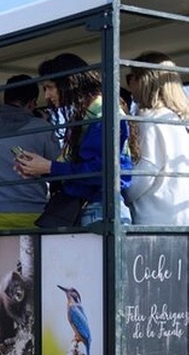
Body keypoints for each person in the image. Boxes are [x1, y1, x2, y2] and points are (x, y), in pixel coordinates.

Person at [14, 53, 133, 226]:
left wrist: (49, 167)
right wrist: (39, 169)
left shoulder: (98, 113)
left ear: (68, 83)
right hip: (97, 209)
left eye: (49, 87)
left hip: (98, 210)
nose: (46, 95)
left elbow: (101, 171)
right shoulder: (94, 111)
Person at [0, 75, 61, 229]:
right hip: (35, 215)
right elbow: (59, 169)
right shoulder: (42, 128)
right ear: (32, 103)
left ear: (5, 97)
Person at [123, 50, 189, 225]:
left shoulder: (147, 118)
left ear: (143, 80)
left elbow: (147, 169)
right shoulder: (176, 120)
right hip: (179, 215)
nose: (129, 85)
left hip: (153, 218)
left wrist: (121, 194)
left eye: (130, 78)